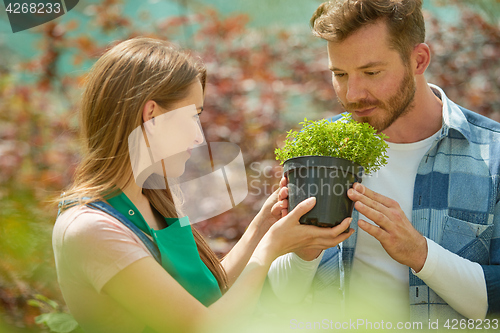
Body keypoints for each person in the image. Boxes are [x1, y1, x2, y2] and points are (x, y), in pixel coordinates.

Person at [51, 37, 355, 333]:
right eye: (193, 116)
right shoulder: (91, 229)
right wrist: (272, 246)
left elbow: (208, 295)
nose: (199, 137)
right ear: (152, 114)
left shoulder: (152, 201)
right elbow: (203, 326)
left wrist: (262, 225)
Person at [267, 0, 500, 325]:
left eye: (372, 72)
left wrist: (421, 253)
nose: (352, 93)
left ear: (418, 60)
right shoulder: (322, 150)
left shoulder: (494, 154)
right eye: (340, 74)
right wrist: (305, 252)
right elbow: (280, 294)